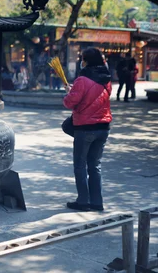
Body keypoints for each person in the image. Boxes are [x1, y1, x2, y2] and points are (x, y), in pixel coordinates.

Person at [63, 47, 112, 212]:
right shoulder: (106, 79)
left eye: (82, 58)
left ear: (86, 61)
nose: (81, 61)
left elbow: (70, 102)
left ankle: (83, 201)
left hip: (85, 128)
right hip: (103, 128)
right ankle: (97, 202)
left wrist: (69, 92)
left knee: (80, 165)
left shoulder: (82, 79)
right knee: (95, 165)